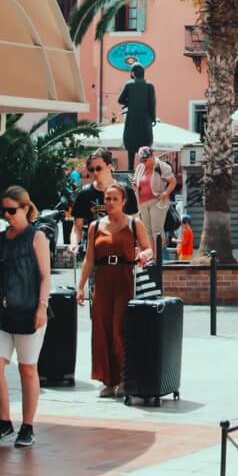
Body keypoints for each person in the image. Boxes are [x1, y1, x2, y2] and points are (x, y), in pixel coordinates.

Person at [0, 186, 49, 449]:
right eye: (4, 210)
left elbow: (45, 276)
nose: (7, 215)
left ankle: (27, 426)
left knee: (27, 368)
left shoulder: (36, 236)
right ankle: (3, 421)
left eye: (12, 210)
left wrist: (42, 307)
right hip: (0, 310)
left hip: (28, 309)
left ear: (25, 208)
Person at [75, 184, 154, 398]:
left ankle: (123, 378)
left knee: (120, 329)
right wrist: (80, 287)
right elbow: (89, 259)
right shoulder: (95, 226)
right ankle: (107, 380)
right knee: (101, 330)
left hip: (124, 278)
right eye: (107, 199)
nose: (110, 203)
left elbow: (149, 249)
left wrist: (144, 255)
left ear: (123, 201)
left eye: (114, 199)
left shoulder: (133, 223)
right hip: (102, 280)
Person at [132, 146, 176, 257]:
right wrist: (134, 184)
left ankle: (159, 257)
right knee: (147, 231)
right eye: (141, 160)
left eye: (145, 160)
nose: (143, 162)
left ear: (152, 156)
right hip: (142, 202)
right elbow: (137, 182)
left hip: (157, 200)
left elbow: (173, 181)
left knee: (156, 229)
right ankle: (152, 256)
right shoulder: (140, 167)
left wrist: (166, 193)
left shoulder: (161, 166)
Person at [70, 148, 118, 250]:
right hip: (94, 251)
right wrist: (74, 243)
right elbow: (77, 227)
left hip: (120, 252)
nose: (95, 173)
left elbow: (135, 224)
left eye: (99, 168)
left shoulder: (124, 191)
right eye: (91, 170)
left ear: (109, 167)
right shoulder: (84, 193)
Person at [117, 62, 157, 157]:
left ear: (133, 73)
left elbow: (120, 100)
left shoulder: (128, 85)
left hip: (132, 117)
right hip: (145, 118)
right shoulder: (149, 85)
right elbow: (152, 103)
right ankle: (145, 164)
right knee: (145, 144)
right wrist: (153, 118)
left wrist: (129, 103)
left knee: (131, 142)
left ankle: (130, 167)